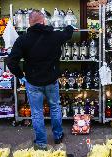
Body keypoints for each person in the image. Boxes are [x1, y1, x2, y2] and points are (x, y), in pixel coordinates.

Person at [7, 10, 74, 149]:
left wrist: (21, 76)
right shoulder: (55, 36)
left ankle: (41, 142)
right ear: (43, 21)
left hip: (33, 82)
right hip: (51, 80)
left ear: (29, 23)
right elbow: (67, 33)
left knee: (37, 113)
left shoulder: (23, 39)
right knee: (55, 108)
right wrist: (69, 26)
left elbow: (11, 62)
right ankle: (58, 136)